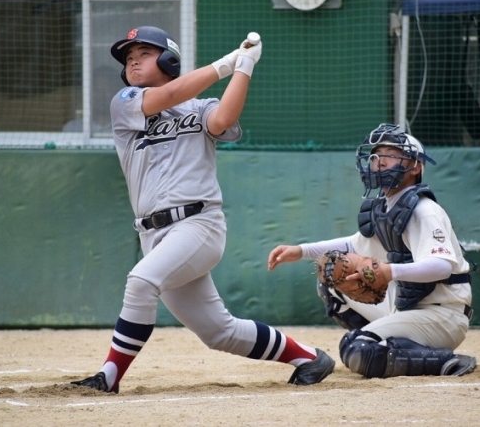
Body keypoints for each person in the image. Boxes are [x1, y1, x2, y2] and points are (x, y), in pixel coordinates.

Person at [70, 26, 334, 393]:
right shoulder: (125, 102)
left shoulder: (200, 108)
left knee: (142, 282)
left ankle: (108, 377)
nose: (133, 62)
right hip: (153, 234)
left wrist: (244, 66)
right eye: (128, 58)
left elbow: (222, 119)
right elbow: (169, 94)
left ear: (168, 60)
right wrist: (225, 64)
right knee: (218, 331)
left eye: (143, 54)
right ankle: (308, 358)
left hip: (198, 224)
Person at [268, 124, 477, 379]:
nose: (379, 162)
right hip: (406, 307)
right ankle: (384, 340)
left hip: (442, 315)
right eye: (376, 156)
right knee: (333, 277)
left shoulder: (424, 210)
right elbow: (352, 245)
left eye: (390, 155)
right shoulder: (385, 208)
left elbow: (441, 266)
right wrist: (301, 251)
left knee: (358, 350)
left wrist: (389, 271)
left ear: (415, 166)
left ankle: (445, 361)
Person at [62, 66, 121, 135]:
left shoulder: (125, 128)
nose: (101, 95)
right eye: (96, 89)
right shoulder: (74, 128)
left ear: (116, 92)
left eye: (107, 89)